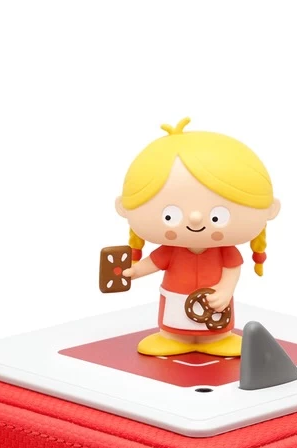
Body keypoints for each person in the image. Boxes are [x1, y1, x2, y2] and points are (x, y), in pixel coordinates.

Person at [115, 117, 280, 356]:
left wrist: (225, 291)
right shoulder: (170, 250)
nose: (194, 218)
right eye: (170, 215)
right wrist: (133, 271)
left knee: (216, 327)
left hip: (214, 308)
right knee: (174, 321)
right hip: (175, 301)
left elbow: (232, 272)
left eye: (218, 216)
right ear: (123, 207)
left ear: (271, 209)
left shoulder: (225, 251)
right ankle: (172, 337)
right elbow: (152, 263)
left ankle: (219, 338)